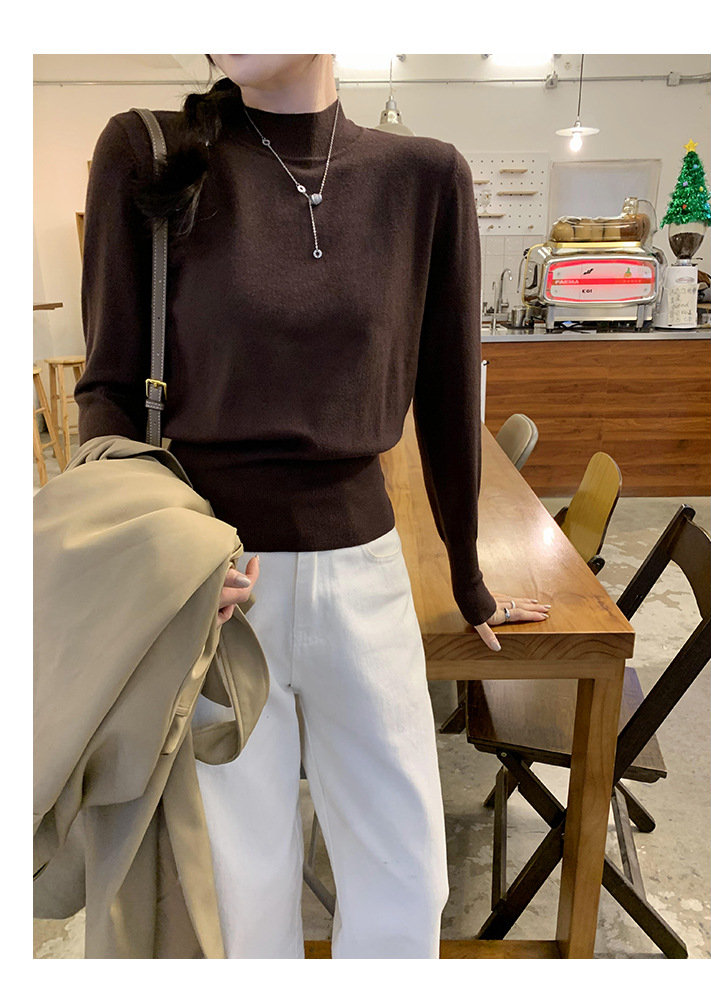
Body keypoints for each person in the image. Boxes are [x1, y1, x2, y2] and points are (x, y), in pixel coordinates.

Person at [75, 53, 551, 959]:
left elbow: (450, 398)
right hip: (212, 587)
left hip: (367, 574)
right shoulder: (150, 153)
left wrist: (470, 579)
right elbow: (107, 389)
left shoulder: (424, 176)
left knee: (407, 881)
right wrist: (156, 555)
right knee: (241, 897)